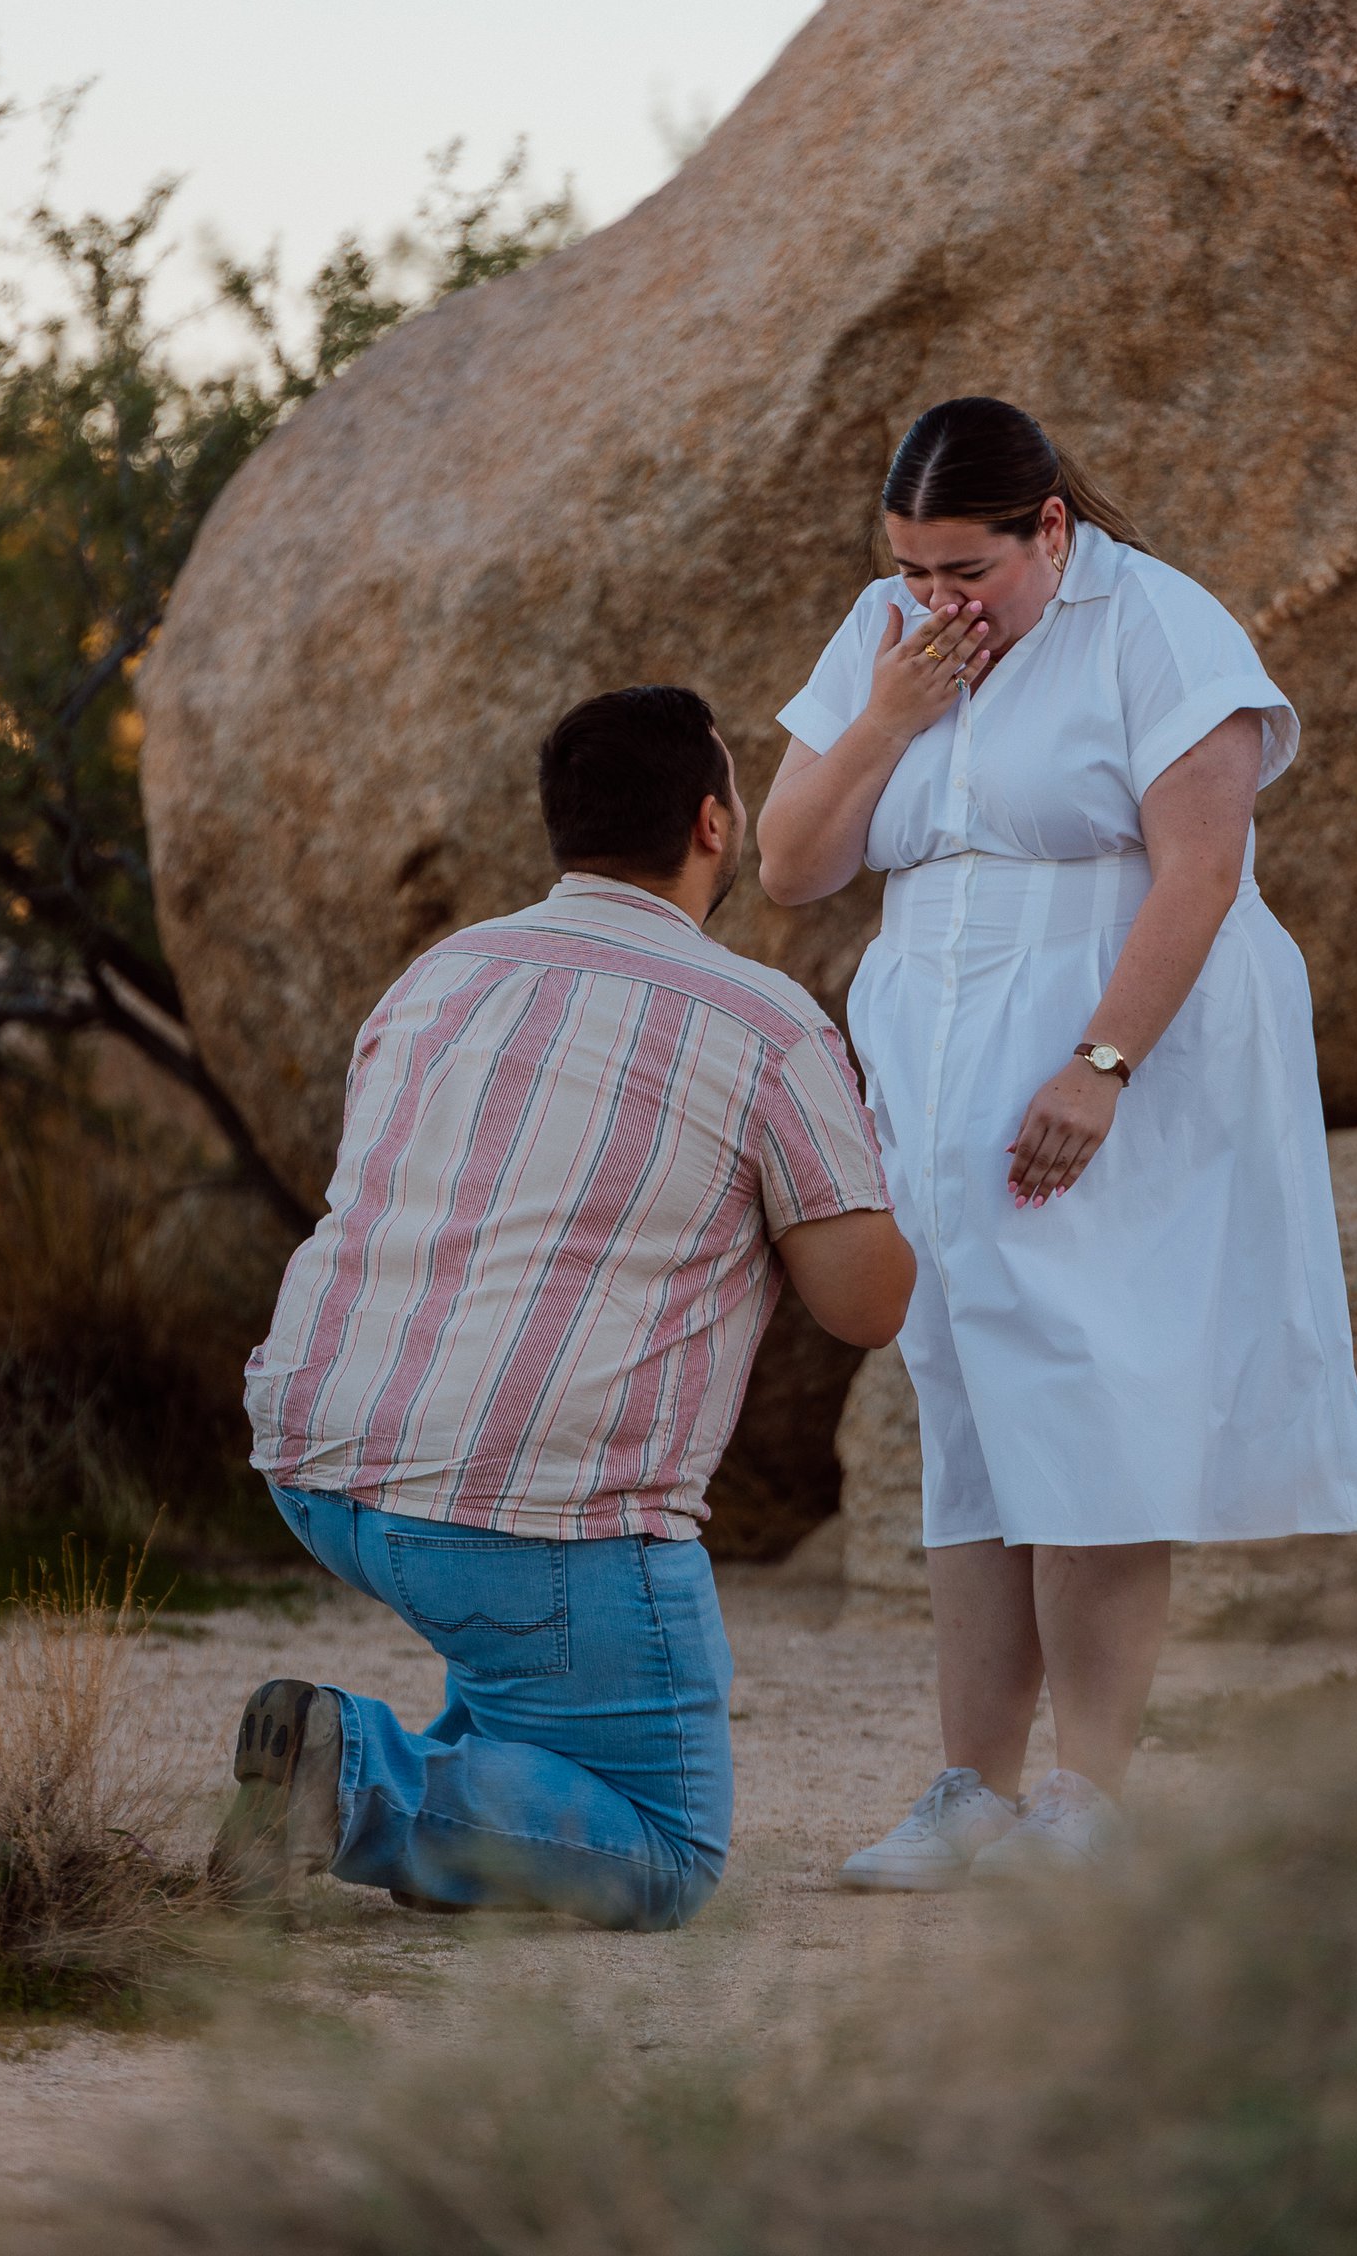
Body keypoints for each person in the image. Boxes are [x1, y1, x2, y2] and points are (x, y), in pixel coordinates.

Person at [759, 398, 1357, 1888]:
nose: (937, 600)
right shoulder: (888, 637)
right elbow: (789, 864)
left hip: (1111, 1039)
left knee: (1091, 1394)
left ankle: (1088, 1799)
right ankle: (969, 1791)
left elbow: (1202, 870)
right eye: (911, 567)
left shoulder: (1157, 624)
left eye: (966, 570)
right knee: (966, 1403)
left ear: (1049, 529)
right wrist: (889, 715)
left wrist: (1101, 1065)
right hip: (933, 1042)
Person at [213, 685, 913, 1929]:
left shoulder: (441, 976)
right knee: (665, 1851)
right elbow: (865, 1306)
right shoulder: (766, 1025)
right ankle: (356, 1775)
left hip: (319, 1464)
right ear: (713, 824)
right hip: (524, 1511)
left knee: (517, 1640)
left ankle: (443, 1800)